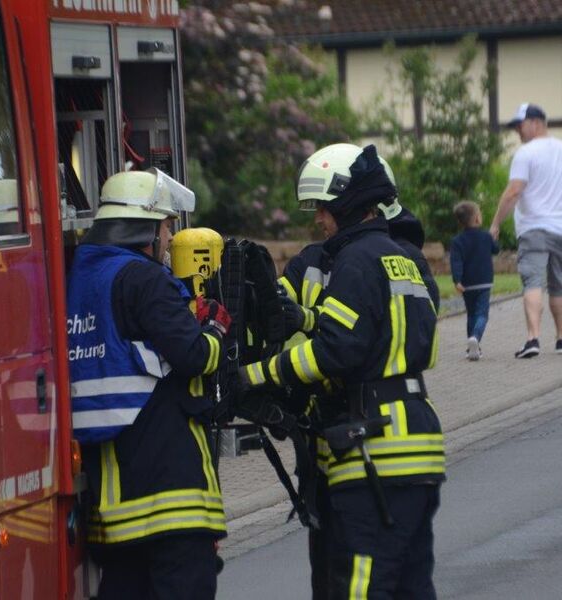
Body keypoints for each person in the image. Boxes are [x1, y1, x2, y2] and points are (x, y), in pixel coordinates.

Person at [241, 143, 444, 598]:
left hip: (372, 452)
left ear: (348, 206)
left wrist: (256, 377)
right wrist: (309, 320)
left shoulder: (355, 260)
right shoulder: (405, 260)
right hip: (419, 442)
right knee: (412, 586)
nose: (319, 219)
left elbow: (336, 351)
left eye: (325, 209)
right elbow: (394, 334)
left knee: (361, 586)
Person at [66, 168, 231, 599]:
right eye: (165, 226)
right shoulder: (143, 279)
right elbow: (194, 357)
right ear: (145, 228)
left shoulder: (78, 279)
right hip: (171, 501)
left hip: (112, 513)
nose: (168, 238)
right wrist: (215, 327)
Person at [490, 103, 562, 358]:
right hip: (560, 229)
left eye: (520, 126)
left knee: (532, 282)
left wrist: (496, 223)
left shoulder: (526, 153)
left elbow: (514, 191)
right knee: (558, 286)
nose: (518, 132)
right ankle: (561, 338)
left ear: (535, 122)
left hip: (534, 229)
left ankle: (532, 339)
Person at [450, 201, 499, 361]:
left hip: (467, 284)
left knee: (471, 314)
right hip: (484, 282)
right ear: (477, 218)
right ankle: (476, 338)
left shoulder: (457, 241)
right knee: (482, 314)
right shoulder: (486, 236)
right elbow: (495, 250)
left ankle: (471, 348)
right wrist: (494, 237)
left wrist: (457, 280)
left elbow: (456, 261)